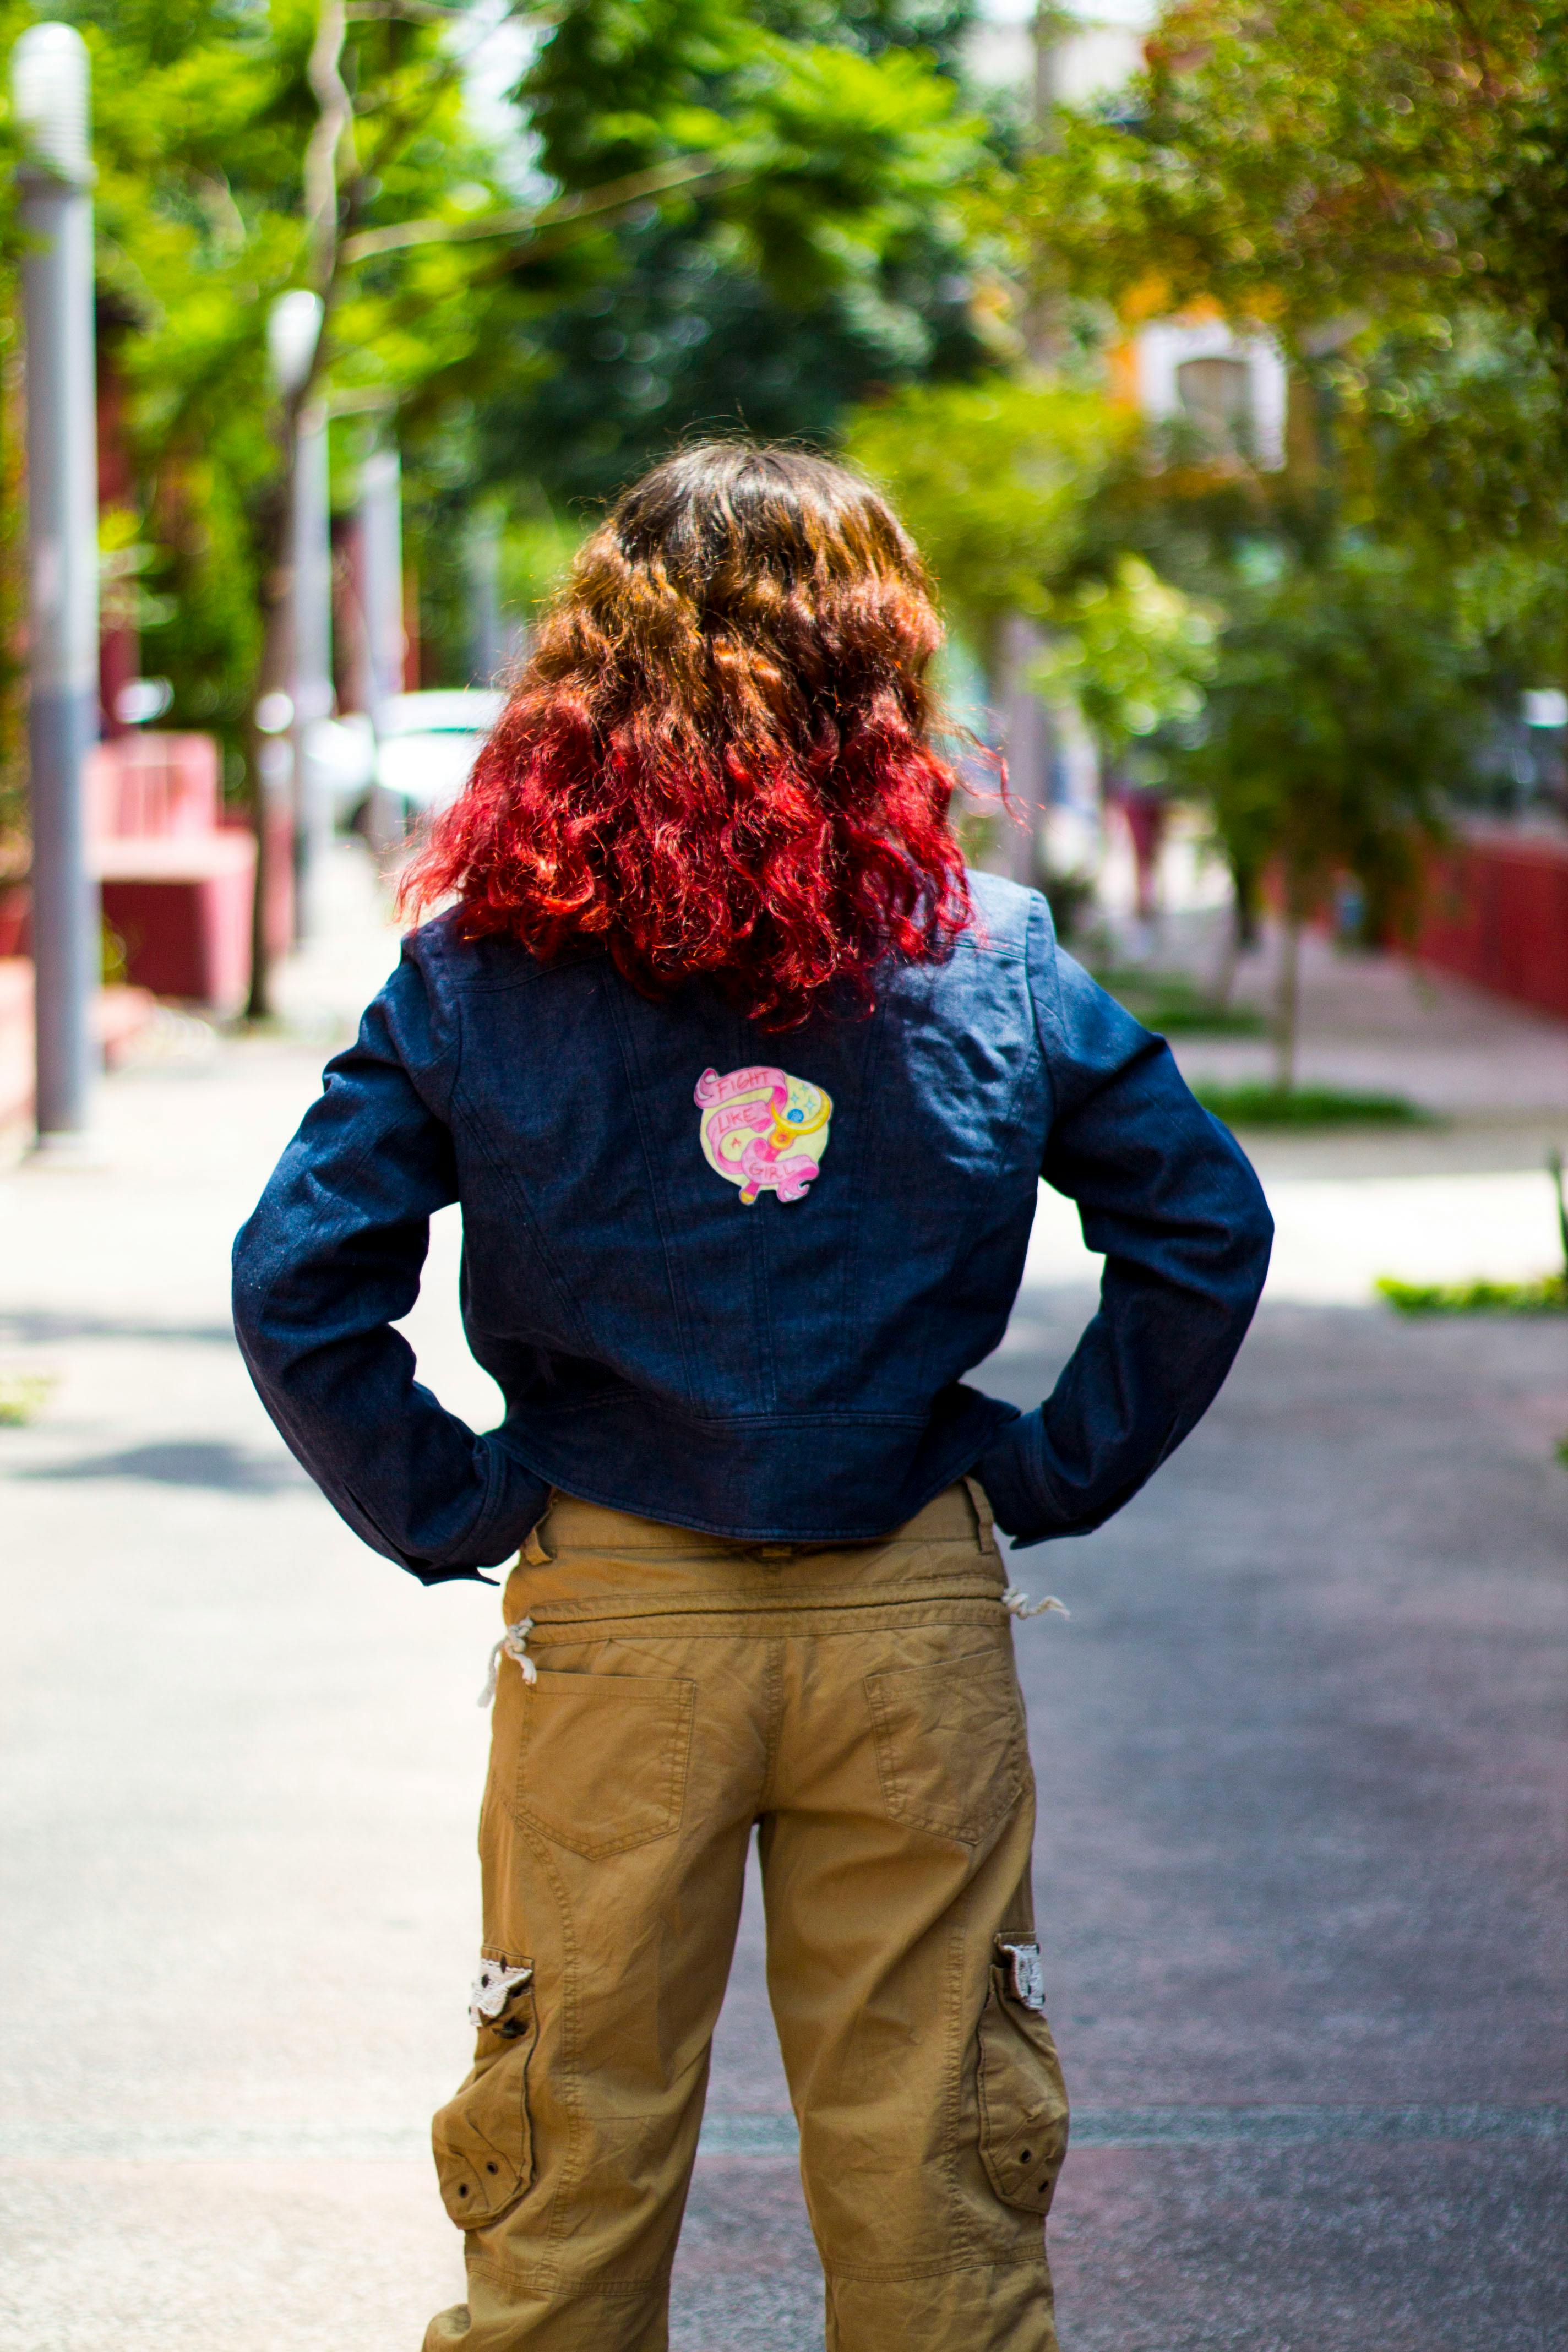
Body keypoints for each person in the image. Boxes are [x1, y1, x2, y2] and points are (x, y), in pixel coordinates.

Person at [232, 443, 1272, 2352]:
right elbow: (1201, 1224)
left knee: (565, 2184)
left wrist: (459, 1507)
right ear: (883, 678)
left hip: (615, 1620)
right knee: (940, 2201)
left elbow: (299, 1280)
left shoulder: (476, 975)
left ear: (587, 676)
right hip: (909, 1615)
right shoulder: (993, 953)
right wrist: (1041, 1476)